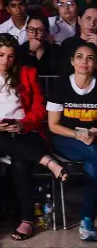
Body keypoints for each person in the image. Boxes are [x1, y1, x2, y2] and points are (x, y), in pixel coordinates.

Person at [0, 33, 67, 241]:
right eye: (1, 55)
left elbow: (39, 109)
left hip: (25, 131)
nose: (6, 61)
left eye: (11, 56)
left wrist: (23, 124)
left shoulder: (27, 73)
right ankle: (48, 161)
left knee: (21, 162)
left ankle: (27, 221)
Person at [46, 41, 97, 241]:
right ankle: (86, 219)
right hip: (65, 139)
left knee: (94, 163)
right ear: (72, 61)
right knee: (94, 155)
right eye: (80, 57)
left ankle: (86, 222)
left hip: (93, 141)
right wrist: (78, 135)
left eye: (90, 58)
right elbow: (53, 125)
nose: (85, 61)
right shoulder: (62, 84)